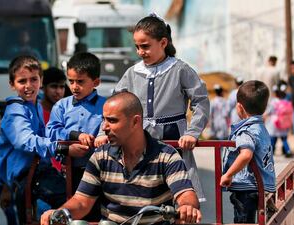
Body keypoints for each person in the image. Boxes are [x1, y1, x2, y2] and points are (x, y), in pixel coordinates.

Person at [94, 14, 210, 202]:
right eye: (137, 47)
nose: (140, 52)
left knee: (177, 193)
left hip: (173, 139)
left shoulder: (180, 69)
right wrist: (102, 133)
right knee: (143, 192)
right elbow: (113, 107)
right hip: (140, 140)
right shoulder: (132, 73)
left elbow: (201, 101)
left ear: (163, 42)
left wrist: (192, 132)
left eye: (145, 46)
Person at [41, 91, 202, 225]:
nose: (104, 127)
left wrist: (187, 207)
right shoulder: (100, 156)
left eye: (112, 120)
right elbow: (82, 201)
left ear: (135, 122)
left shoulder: (166, 155)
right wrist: (61, 212)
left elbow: (185, 194)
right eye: (104, 120)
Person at [0, 55, 63, 225]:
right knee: (68, 206)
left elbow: (45, 136)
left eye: (34, 79)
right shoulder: (15, 111)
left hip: (40, 172)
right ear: (12, 85)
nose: (28, 86)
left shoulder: (36, 105)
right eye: (22, 81)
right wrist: (61, 147)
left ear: (41, 80)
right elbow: (25, 141)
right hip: (28, 179)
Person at [46, 52, 106, 220]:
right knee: (73, 215)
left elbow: (111, 129)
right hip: (71, 172)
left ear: (96, 82)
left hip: (101, 172)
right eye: (71, 81)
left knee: (99, 215)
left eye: (80, 82)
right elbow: (51, 131)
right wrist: (76, 135)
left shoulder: (106, 105)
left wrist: (102, 136)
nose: (74, 87)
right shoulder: (61, 106)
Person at [220, 80, 275, 224]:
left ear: (239, 107)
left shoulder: (246, 131)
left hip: (247, 187)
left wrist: (228, 175)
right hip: (261, 185)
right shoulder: (261, 128)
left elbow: (246, 154)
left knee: (243, 221)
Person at [264, 84, 293, 158]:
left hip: (275, 122)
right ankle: (288, 151)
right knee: (284, 139)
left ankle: (271, 152)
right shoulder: (285, 101)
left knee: (273, 138)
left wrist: (264, 116)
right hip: (283, 122)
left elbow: (269, 111)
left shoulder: (273, 102)